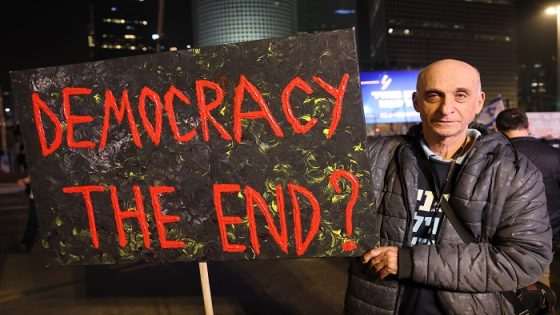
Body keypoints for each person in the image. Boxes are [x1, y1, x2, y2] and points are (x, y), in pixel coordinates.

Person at [344, 59, 552, 314]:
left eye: (460, 95)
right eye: (434, 95)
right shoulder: (373, 157)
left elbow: (525, 259)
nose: (446, 109)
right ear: (416, 102)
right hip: (378, 305)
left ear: (479, 102)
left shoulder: (515, 173)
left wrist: (410, 262)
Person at [496, 108, 560, 291]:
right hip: (551, 235)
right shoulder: (554, 155)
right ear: (527, 126)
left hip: (505, 239)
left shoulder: (493, 157)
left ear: (497, 129)